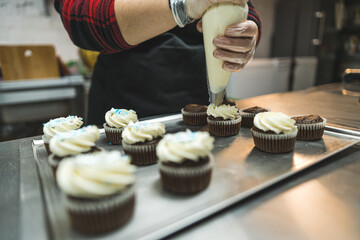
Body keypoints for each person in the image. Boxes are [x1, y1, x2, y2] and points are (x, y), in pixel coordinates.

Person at [54, 0, 261, 125]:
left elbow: (246, 8)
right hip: (122, 112)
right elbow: (79, 17)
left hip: (202, 101)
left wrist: (246, 35)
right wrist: (181, 6)